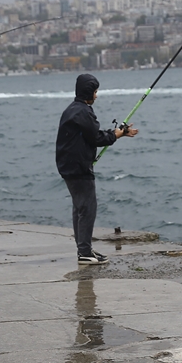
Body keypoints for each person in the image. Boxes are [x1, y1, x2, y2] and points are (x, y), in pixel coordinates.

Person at [56, 73, 138, 265]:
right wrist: (117, 135)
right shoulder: (83, 112)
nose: (97, 95)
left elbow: (92, 134)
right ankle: (84, 252)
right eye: (95, 91)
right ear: (89, 93)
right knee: (87, 208)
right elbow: (97, 139)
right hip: (78, 168)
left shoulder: (73, 109)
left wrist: (117, 134)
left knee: (79, 208)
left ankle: (84, 249)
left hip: (68, 165)